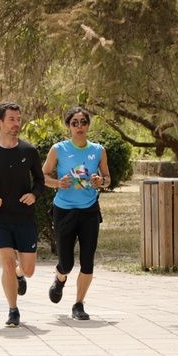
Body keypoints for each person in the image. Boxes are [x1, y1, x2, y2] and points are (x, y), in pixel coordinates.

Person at [0, 103, 45, 327]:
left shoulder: (29, 151)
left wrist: (34, 194)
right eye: (11, 119)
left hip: (24, 217)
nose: (16, 124)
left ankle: (20, 275)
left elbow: (40, 181)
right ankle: (13, 310)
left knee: (29, 270)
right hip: (0, 218)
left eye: (18, 119)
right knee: (7, 264)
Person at [41, 106, 110, 320]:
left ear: (88, 125)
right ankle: (60, 277)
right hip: (64, 210)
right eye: (75, 123)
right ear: (69, 126)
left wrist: (101, 182)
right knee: (67, 263)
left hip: (89, 211)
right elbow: (42, 176)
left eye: (83, 122)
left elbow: (107, 179)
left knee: (87, 261)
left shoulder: (98, 150)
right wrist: (57, 183)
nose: (79, 126)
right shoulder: (59, 149)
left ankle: (79, 304)